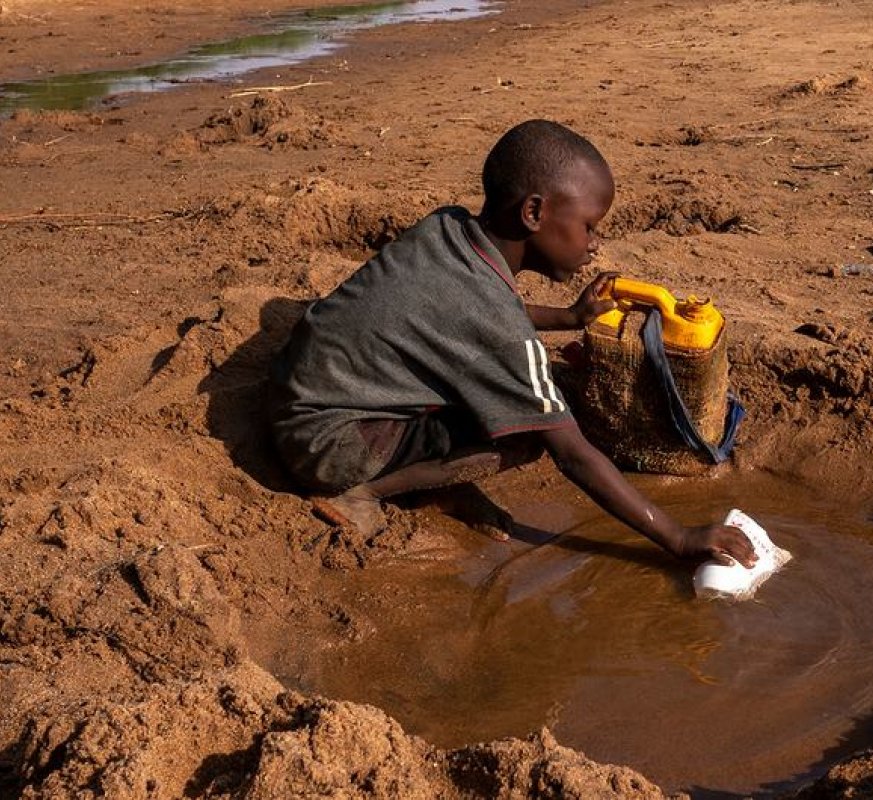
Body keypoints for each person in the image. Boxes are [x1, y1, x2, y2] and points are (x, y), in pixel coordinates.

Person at [267, 119, 755, 569]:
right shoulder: (494, 318)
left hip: (301, 398)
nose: (594, 243)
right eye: (588, 225)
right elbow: (573, 454)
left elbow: (465, 316)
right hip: (328, 446)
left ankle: (431, 481)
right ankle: (365, 491)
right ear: (534, 212)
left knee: (502, 389)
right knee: (526, 432)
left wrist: (568, 318)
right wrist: (678, 536)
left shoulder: (449, 228)